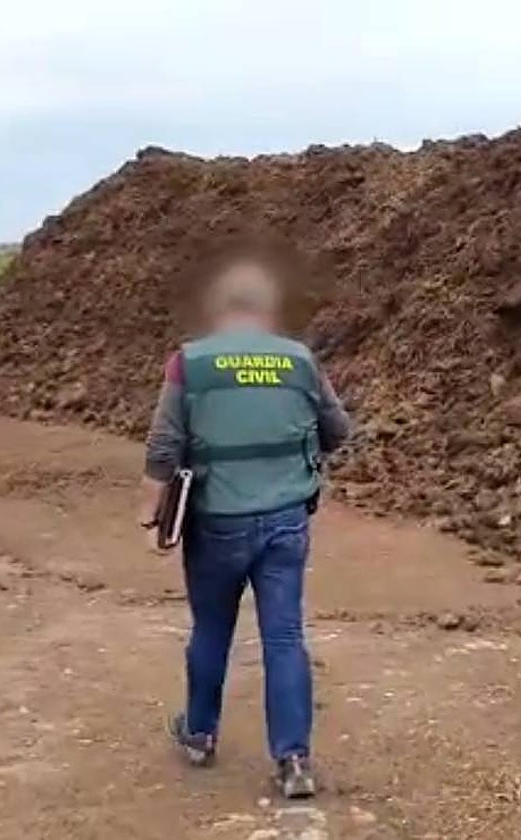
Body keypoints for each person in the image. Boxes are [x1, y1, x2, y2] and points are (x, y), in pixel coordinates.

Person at [140, 259, 350, 798]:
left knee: (211, 630)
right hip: (286, 520)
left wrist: (153, 518)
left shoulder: (189, 363)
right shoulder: (300, 360)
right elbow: (337, 429)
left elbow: (163, 447)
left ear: (221, 311)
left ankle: (200, 735)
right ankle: (294, 761)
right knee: (284, 636)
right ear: (265, 311)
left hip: (215, 524)